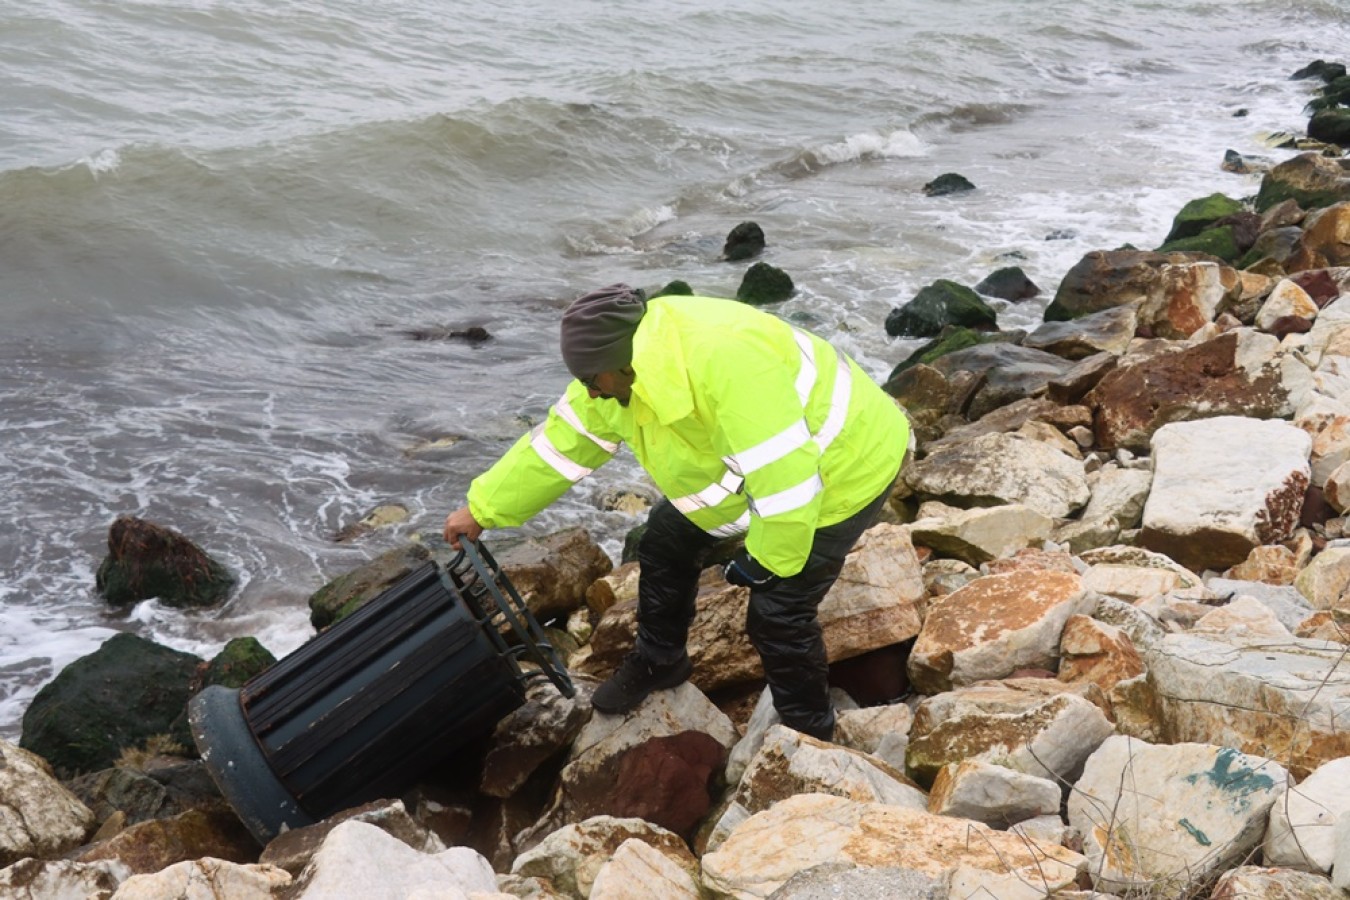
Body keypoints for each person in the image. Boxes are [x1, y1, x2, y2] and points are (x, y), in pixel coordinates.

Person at [443, 283, 908, 741]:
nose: (590, 393)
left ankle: (808, 738)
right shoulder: (620, 378)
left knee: (778, 612)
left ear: (619, 362)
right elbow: (556, 450)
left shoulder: (725, 363)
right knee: (663, 540)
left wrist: (768, 559)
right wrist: (481, 510)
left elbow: (786, 475)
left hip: (847, 467)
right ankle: (661, 658)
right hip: (765, 471)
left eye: (591, 380)